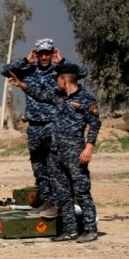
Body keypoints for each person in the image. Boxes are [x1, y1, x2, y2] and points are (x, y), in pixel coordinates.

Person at [7, 64, 100, 243]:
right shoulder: (58, 96)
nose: (55, 82)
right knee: (62, 193)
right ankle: (70, 230)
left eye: (57, 79)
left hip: (75, 152)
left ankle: (90, 229)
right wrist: (21, 85)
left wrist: (89, 147)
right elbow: (40, 95)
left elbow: (95, 123)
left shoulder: (86, 99)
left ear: (64, 80)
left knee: (81, 192)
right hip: (55, 152)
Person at [0, 38, 86, 218]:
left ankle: (57, 202)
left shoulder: (59, 71)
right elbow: (4, 70)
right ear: (36, 54)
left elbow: (82, 72)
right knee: (39, 167)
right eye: (41, 53)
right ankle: (46, 201)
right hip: (34, 126)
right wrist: (25, 61)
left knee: (54, 166)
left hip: (53, 124)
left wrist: (62, 61)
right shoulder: (28, 70)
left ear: (52, 52)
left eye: (48, 53)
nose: (45, 57)